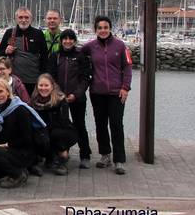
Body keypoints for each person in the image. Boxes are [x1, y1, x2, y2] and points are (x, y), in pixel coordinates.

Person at [81, 15, 132, 175]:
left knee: (116, 125)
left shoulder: (120, 45)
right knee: (100, 124)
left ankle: (119, 160)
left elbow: (128, 67)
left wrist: (125, 87)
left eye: (106, 27)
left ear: (110, 28)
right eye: (100, 28)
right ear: (95, 30)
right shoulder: (90, 46)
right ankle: (105, 155)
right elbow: (76, 55)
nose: (103, 30)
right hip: (97, 92)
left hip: (117, 93)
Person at [48, 28, 92, 168]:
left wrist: (76, 94)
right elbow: (51, 77)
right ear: (61, 41)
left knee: (80, 126)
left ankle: (85, 155)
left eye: (70, 39)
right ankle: (60, 153)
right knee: (59, 127)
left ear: (74, 41)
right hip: (59, 99)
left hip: (77, 98)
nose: (67, 41)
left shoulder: (81, 56)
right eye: (65, 39)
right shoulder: (55, 56)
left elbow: (85, 79)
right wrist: (59, 94)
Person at [30, 73, 78, 176]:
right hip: (43, 130)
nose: (43, 88)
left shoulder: (61, 99)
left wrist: (46, 130)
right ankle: (47, 157)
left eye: (46, 85)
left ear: (52, 86)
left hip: (62, 130)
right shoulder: (34, 100)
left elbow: (63, 121)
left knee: (56, 134)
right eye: (41, 85)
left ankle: (62, 159)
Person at [0, 7, 48, 96]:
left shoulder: (38, 34)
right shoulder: (9, 33)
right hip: (13, 79)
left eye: (26, 17)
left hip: (33, 80)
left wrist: (42, 77)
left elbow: (44, 56)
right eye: (20, 17)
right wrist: (6, 51)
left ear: (31, 19)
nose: (23, 20)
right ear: (16, 19)